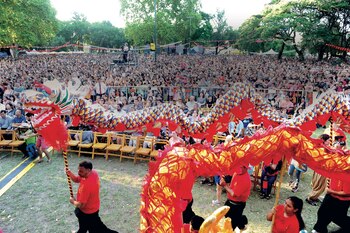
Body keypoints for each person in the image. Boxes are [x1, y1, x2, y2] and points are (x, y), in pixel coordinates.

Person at [66, 161, 119, 233]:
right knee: (84, 228)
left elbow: (81, 205)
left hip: (88, 213)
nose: (78, 172)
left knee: (100, 230)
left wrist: (73, 201)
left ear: (88, 170)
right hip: (92, 208)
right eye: (78, 170)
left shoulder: (87, 186)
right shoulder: (93, 173)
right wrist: (70, 174)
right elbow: (77, 179)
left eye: (81, 171)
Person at [221, 165, 251, 232]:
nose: (238, 168)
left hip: (237, 205)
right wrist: (224, 178)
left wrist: (225, 185)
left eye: (240, 167)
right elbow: (230, 177)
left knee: (231, 225)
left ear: (245, 168)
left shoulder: (245, 179)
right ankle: (241, 222)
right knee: (226, 215)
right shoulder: (237, 172)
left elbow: (234, 194)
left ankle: (241, 222)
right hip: (230, 201)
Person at [306, 134, 330, 206]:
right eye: (328, 140)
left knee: (319, 185)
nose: (329, 141)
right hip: (321, 170)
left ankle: (314, 197)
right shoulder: (322, 149)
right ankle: (310, 198)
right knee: (320, 186)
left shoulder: (323, 147)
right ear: (324, 141)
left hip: (320, 169)